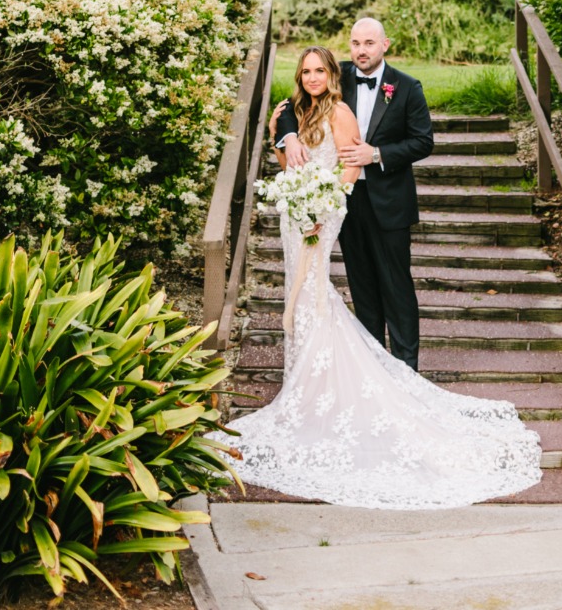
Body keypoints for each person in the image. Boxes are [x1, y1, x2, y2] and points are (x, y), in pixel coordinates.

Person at [231, 40, 541, 509]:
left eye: (320, 70)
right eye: (306, 71)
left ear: (332, 74)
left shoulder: (347, 109)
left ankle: (378, 378)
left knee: (323, 295)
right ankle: (304, 385)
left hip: (328, 214)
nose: (313, 77)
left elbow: (351, 168)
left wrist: (324, 211)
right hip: (294, 216)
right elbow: (285, 161)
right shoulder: (293, 111)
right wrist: (284, 139)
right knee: (314, 293)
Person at [275, 16, 430, 368]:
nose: (362, 51)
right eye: (356, 44)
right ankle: (372, 364)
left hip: (388, 201)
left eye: (369, 44)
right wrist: (292, 137)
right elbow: (291, 107)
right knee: (361, 285)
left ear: (385, 45)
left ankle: (406, 369)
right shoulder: (336, 74)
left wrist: (376, 154)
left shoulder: (406, 87)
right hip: (345, 202)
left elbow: (423, 141)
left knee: (396, 286)